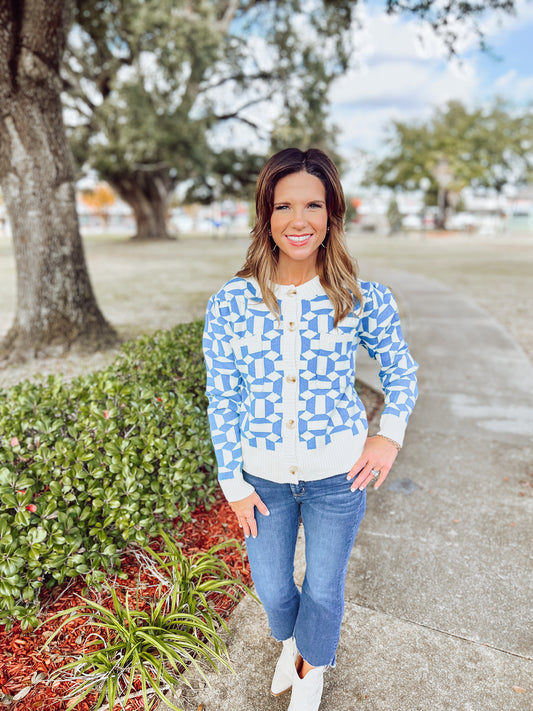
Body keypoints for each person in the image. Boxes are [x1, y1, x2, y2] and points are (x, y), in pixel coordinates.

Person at [202, 147, 418, 711]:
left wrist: (387, 433)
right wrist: (233, 480)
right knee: (272, 589)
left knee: (324, 588)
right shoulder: (230, 304)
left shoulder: (360, 297)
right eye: (284, 206)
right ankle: (293, 641)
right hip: (262, 480)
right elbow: (222, 397)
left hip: (336, 477)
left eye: (313, 205)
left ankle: (310, 666)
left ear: (332, 214)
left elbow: (401, 369)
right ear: (266, 215)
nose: (299, 220)